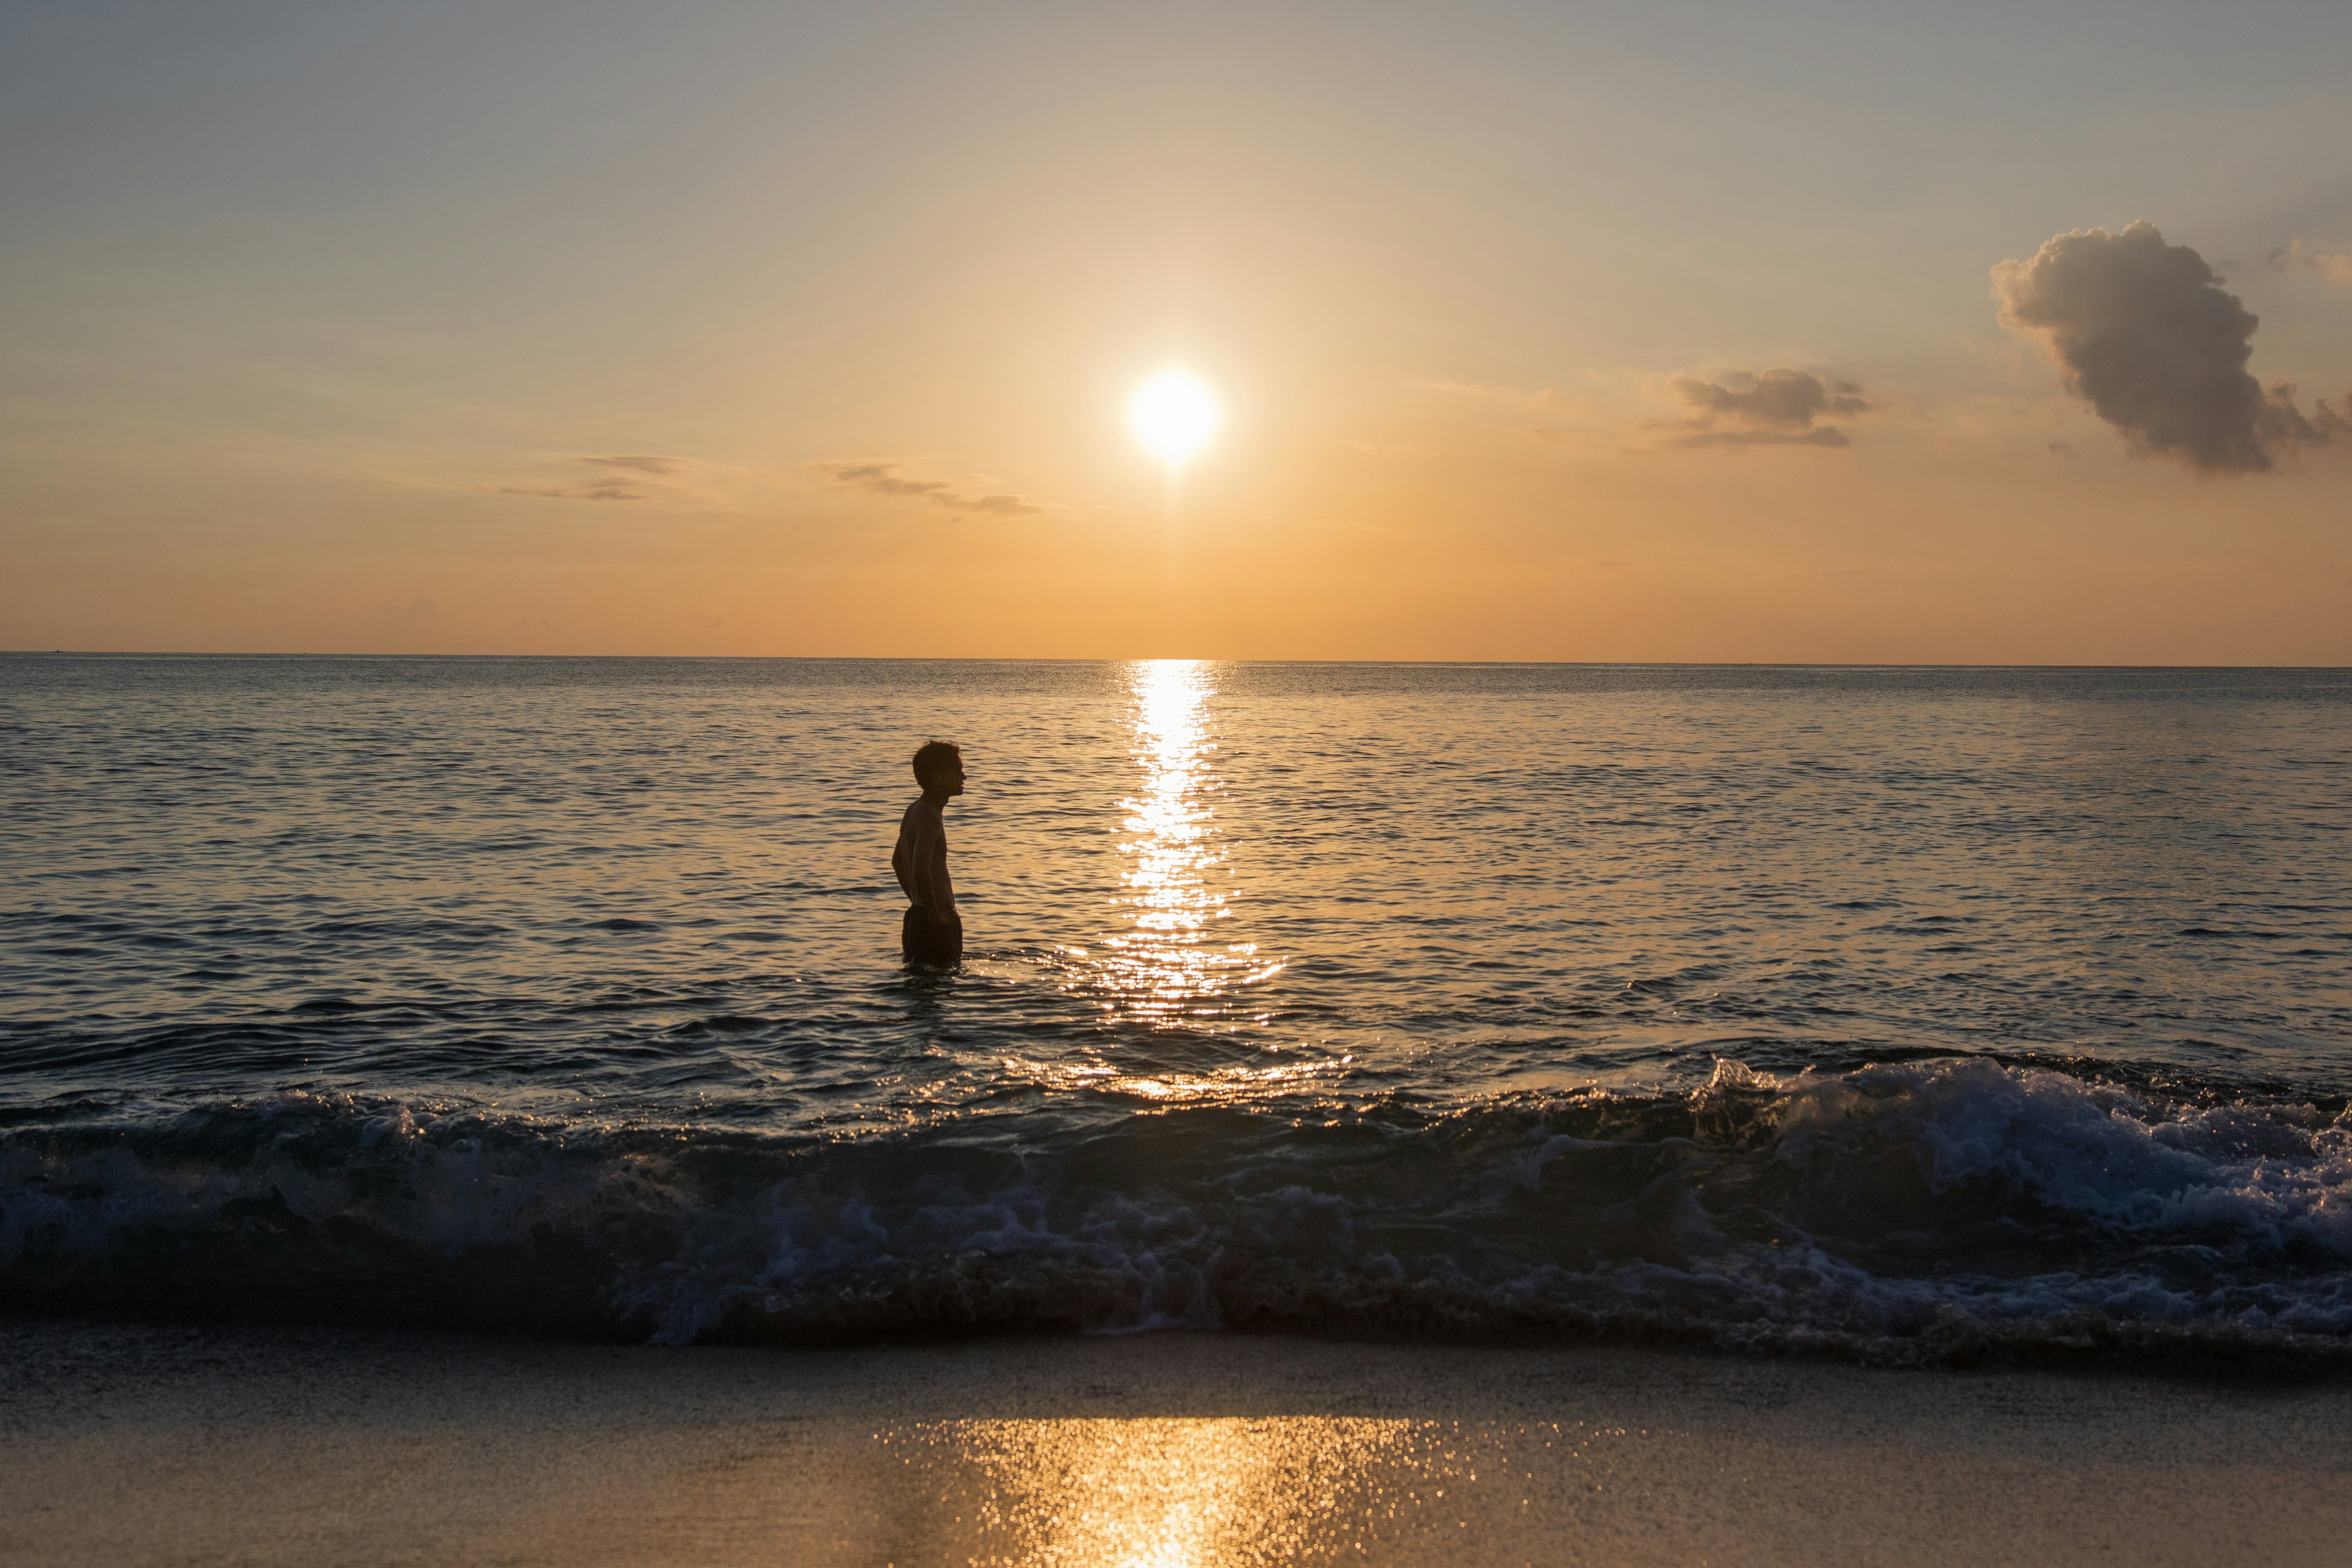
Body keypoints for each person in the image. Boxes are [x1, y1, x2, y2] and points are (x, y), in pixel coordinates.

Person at [892, 739, 965, 965]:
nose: (964, 778)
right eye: (957, 771)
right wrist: (934, 913)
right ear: (936, 776)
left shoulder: (915, 808)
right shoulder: (929, 816)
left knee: (921, 988)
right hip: (935, 922)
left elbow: (897, 862)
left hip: (918, 916)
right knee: (939, 988)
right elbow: (920, 870)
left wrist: (918, 903)